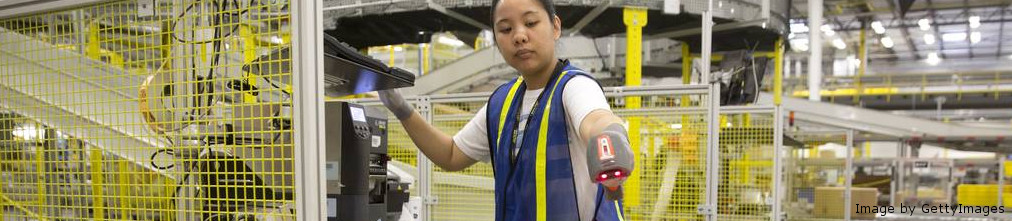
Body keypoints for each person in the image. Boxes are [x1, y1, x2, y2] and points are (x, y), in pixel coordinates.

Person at [377, 0, 633, 220]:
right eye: (506, 29)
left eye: (531, 23)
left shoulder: (574, 87)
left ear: (555, 27)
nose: (519, 36)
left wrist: (609, 138)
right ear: (497, 39)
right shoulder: (502, 102)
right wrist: (402, 109)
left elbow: (596, 120)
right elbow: (452, 154)